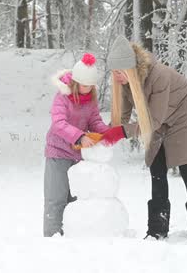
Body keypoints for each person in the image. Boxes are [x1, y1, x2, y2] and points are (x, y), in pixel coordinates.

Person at [106, 36, 187, 241]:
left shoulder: (159, 76)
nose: (116, 77)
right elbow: (122, 118)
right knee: (156, 168)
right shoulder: (126, 84)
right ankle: (157, 230)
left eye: (119, 72)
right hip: (157, 118)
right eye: (114, 73)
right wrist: (104, 133)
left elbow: (152, 121)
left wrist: (120, 132)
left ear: (130, 68)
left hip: (183, 115)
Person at [43, 53, 117, 237]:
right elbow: (59, 124)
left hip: (78, 156)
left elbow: (94, 121)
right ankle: (52, 238)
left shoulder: (90, 99)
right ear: (75, 82)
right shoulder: (62, 97)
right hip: (58, 153)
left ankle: (72, 237)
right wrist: (80, 137)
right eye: (85, 85)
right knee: (56, 198)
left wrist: (106, 133)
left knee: (76, 199)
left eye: (91, 85)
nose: (88, 89)